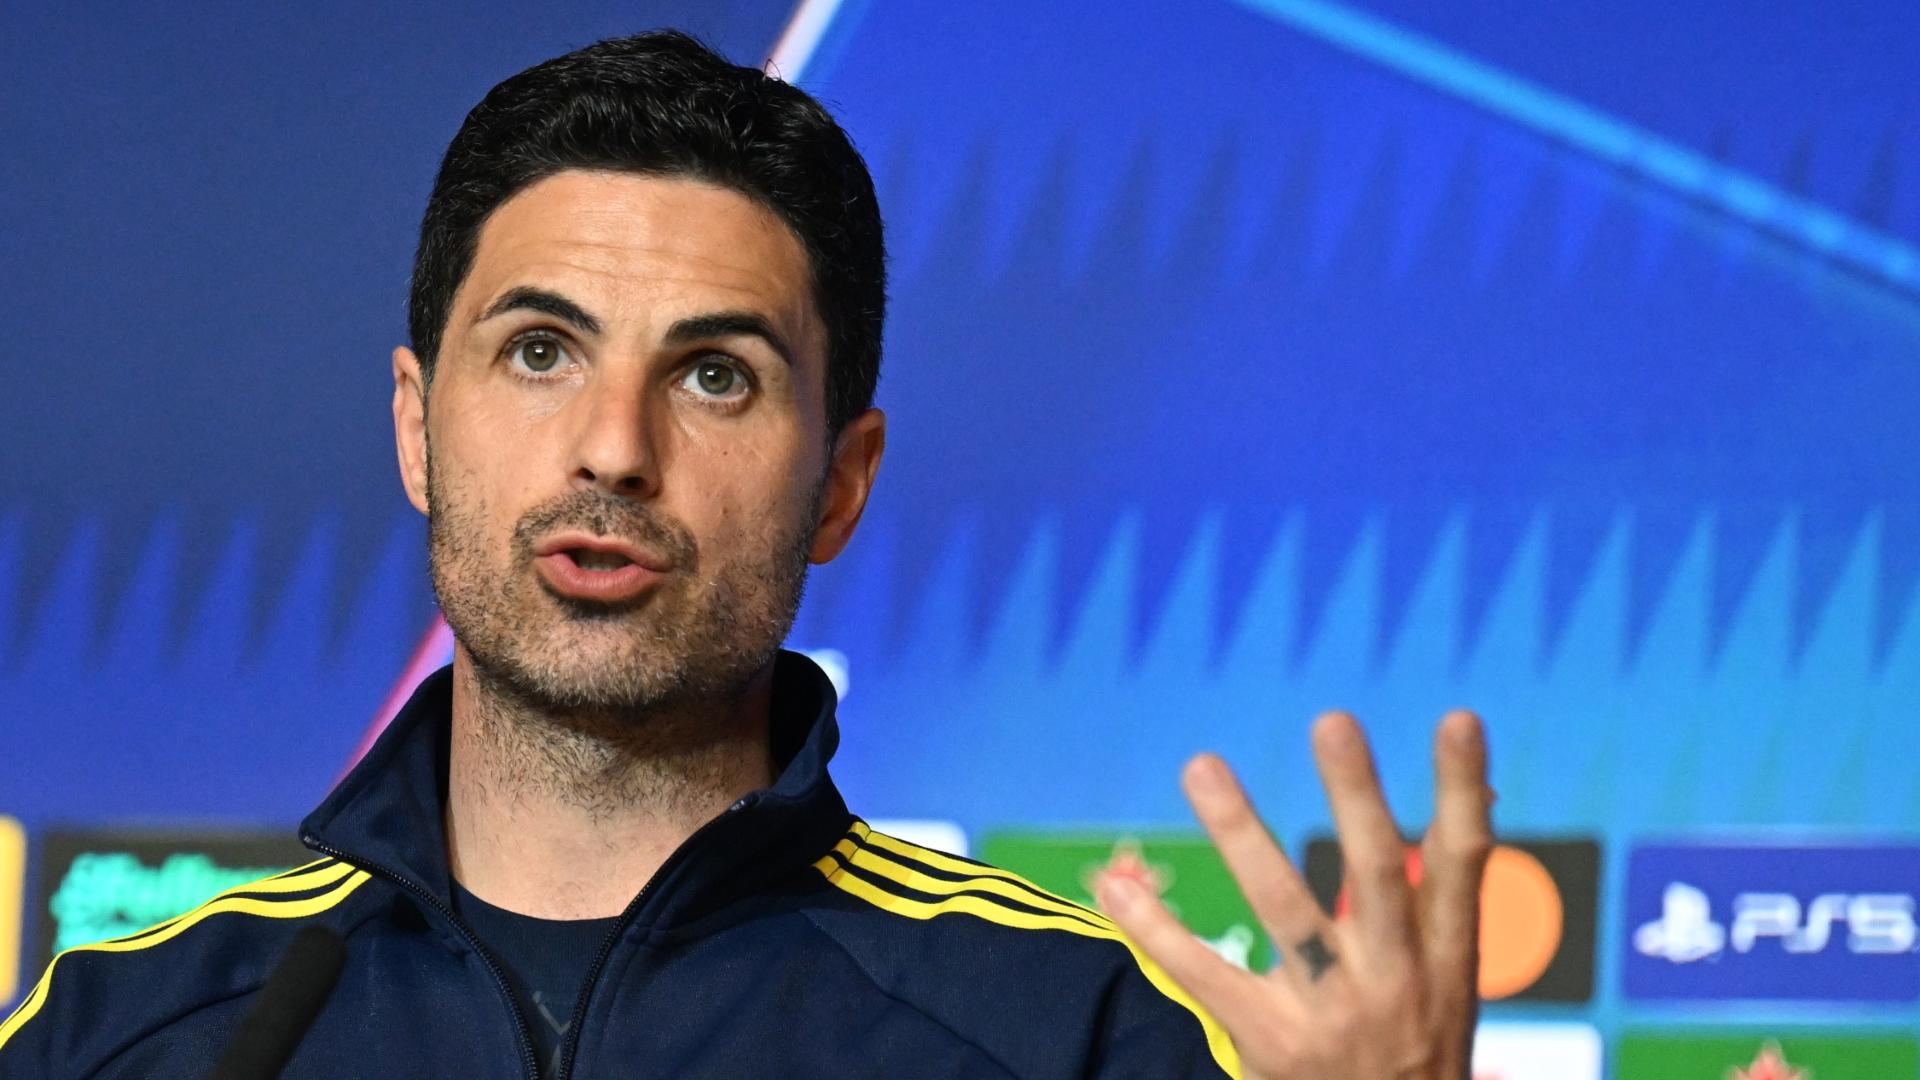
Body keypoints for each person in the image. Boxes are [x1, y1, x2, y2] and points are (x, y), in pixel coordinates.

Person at [0, 30, 1491, 1079]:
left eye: (715, 375)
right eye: (539, 351)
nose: (613, 447)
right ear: (416, 427)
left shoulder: (1072, 1033)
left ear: (841, 483)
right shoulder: (123, 1037)